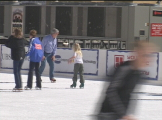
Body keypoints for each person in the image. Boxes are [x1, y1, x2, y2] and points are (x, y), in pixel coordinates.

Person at [96, 41, 157, 120]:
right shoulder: (124, 69)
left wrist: (127, 115)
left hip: (119, 116)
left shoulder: (139, 74)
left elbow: (129, 96)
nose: (148, 59)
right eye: (145, 55)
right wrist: (123, 114)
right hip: (107, 115)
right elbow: (111, 91)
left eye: (150, 56)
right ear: (138, 53)